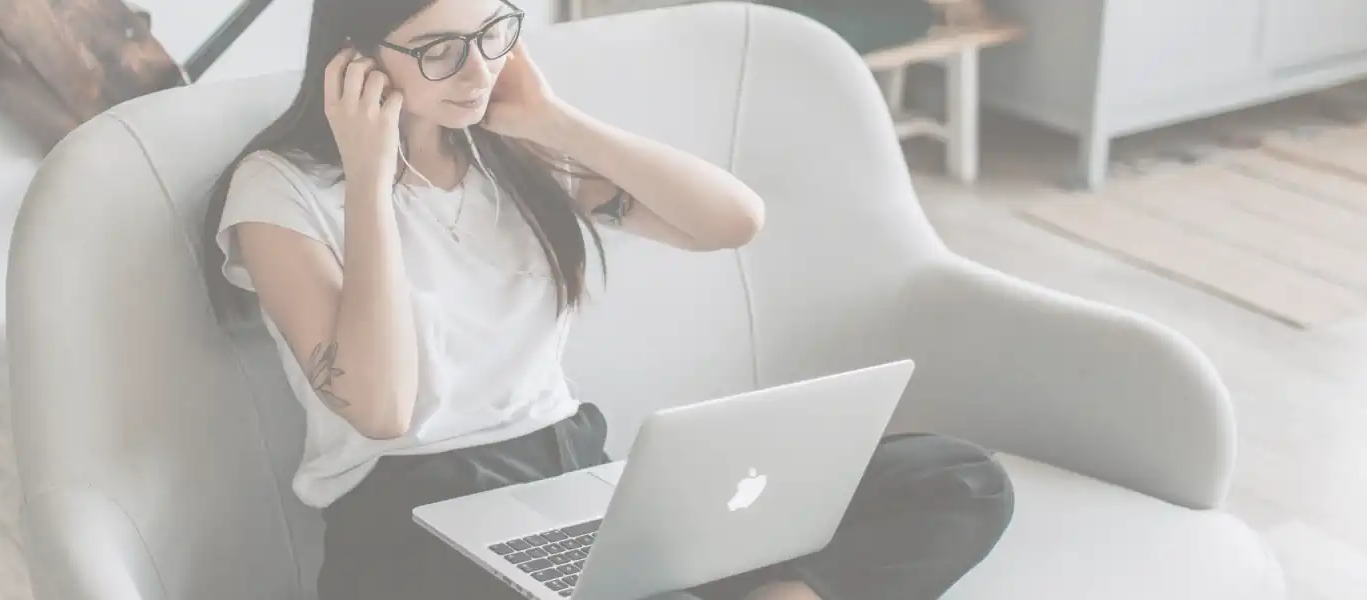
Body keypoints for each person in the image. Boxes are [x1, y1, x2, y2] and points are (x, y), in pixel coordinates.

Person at [199, 1, 1016, 598]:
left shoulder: (512, 158)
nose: (479, 69)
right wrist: (370, 176)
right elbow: (380, 410)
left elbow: (731, 221)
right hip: (409, 526)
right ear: (356, 61)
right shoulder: (279, 191)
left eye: (493, 32)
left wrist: (554, 120)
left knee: (960, 479)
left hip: (572, 477)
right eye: (439, 49)